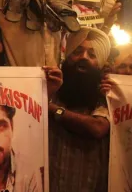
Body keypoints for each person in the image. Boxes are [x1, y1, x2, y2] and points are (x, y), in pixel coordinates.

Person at [48, 27, 111, 192]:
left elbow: (97, 128)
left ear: (101, 64)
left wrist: (54, 110)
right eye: (77, 51)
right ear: (67, 56)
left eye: (92, 55)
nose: (83, 58)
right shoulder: (51, 93)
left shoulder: (106, 99)